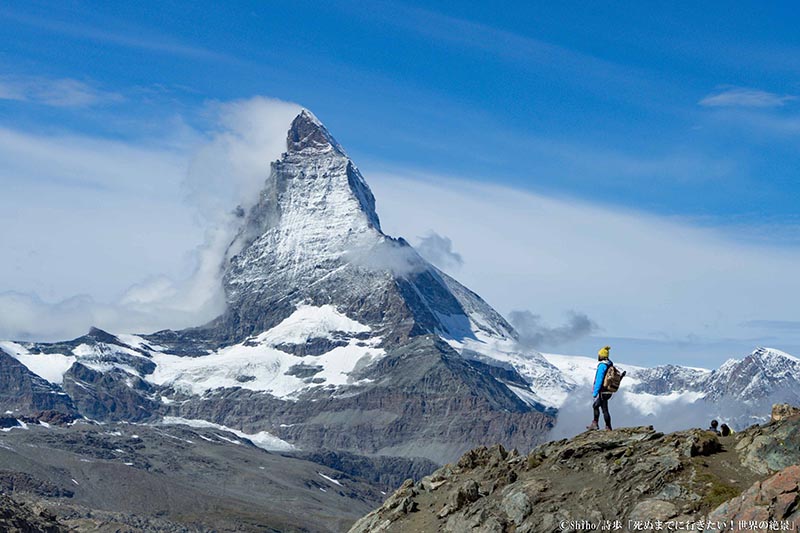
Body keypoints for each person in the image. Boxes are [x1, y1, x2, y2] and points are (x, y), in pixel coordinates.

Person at [587, 346, 614, 431]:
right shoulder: (610, 364)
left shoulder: (602, 365)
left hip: (602, 391)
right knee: (603, 408)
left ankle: (597, 425)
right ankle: (607, 426)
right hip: (608, 390)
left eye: (599, 355)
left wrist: (595, 392)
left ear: (602, 356)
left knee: (598, 407)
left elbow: (599, 380)